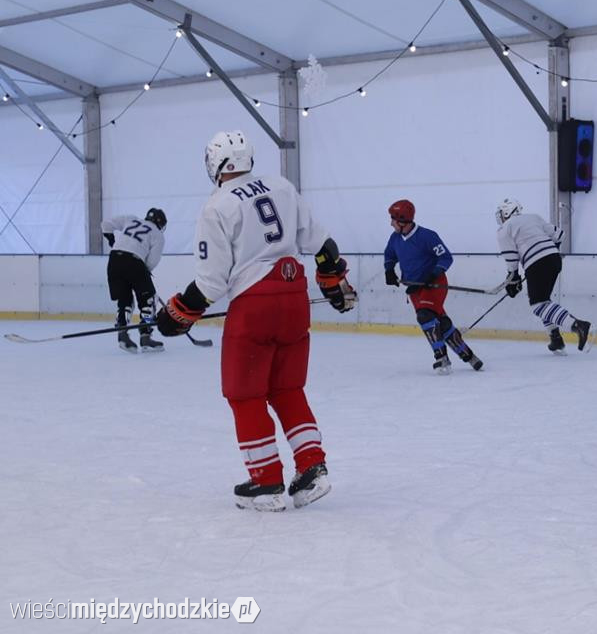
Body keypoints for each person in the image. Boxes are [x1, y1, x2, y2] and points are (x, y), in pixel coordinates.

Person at [155, 130, 357, 512]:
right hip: (294, 297)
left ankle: (265, 483)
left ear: (213, 164)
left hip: (254, 305)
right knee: (287, 390)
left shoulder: (217, 206)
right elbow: (325, 248)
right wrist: (331, 281)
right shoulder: (281, 186)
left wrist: (176, 314)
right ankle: (312, 467)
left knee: (245, 395)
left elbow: (211, 283)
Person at [384, 199, 483, 373]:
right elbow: (389, 255)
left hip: (434, 284)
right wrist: (389, 270)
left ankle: (441, 357)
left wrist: (433, 274)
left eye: (393, 219)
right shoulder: (395, 238)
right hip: (414, 288)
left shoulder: (427, 236)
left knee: (425, 315)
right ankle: (468, 355)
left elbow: (446, 258)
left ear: (403, 220)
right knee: (440, 323)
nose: (391, 223)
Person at [495, 198, 595, 354]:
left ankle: (578, 326)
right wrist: (546, 253)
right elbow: (559, 235)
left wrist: (513, 277)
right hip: (554, 259)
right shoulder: (533, 217)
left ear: (507, 212)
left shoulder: (505, 228)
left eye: (501, 213)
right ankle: (555, 338)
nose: (500, 217)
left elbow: (511, 256)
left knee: (538, 305)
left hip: (536, 263)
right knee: (544, 301)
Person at [101, 207, 167, 352]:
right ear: (160, 223)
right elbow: (151, 262)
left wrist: (112, 239)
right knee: (148, 300)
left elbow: (106, 224)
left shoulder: (130, 218)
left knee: (124, 300)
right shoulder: (157, 235)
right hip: (135, 262)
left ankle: (123, 334)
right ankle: (145, 336)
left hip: (114, 260)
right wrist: (143, 274)